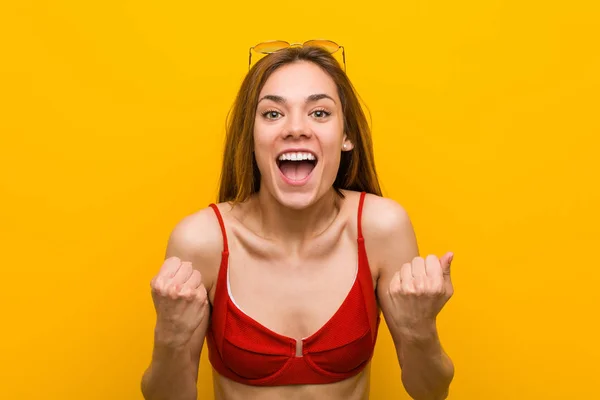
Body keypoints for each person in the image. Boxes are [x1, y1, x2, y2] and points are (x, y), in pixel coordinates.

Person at [141, 42, 455, 400]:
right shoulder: (201, 241)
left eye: (319, 113)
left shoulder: (382, 228)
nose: (295, 128)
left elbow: (430, 391)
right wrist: (170, 336)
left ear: (346, 136)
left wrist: (420, 329)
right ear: (251, 137)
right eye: (273, 114)